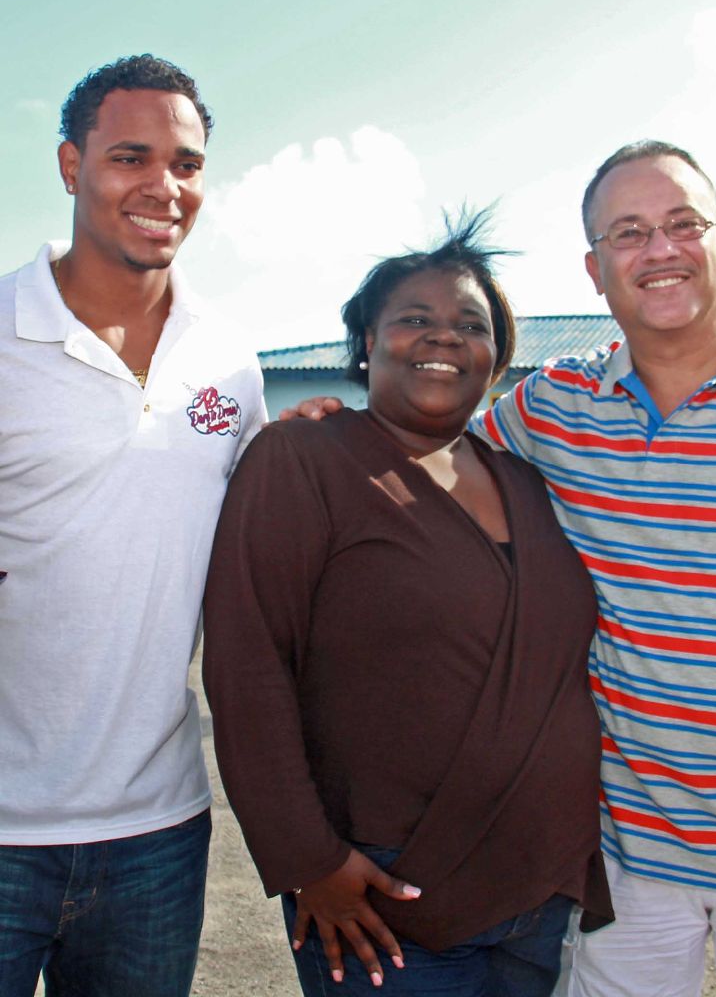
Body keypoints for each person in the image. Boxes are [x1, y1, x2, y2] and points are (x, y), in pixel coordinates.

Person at [286, 142, 716, 995]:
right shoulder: (552, 409)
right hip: (623, 859)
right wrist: (332, 427)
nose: (658, 250)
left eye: (682, 225)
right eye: (628, 233)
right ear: (594, 269)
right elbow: (431, 436)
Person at [201, 214, 612, 997]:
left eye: (471, 324)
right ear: (365, 341)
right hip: (382, 898)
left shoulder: (527, 479)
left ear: (498, 357)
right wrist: (308, 860)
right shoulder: (303, 459)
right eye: (414, 319)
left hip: (539, 888)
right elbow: (247, 668)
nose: (444, 337)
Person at [0, 55, 266, 996]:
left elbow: (262, 534)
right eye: (130, 157)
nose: (164, 187)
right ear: (71, 167)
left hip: (159, 830)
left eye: (187, 164)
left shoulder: (231, 360)